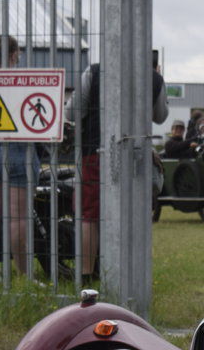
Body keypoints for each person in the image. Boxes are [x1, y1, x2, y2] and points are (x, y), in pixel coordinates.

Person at [66, 53, 169, 277]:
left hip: (95, 151)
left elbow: (72, 112)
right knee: (131, 213)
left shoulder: (93, 72)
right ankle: (127, 274)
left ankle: (85, 275)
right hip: (136, 155)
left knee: (89, 215)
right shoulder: (153, 78)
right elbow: (161, 116)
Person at [0, 35, 40, 280]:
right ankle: (24, 276)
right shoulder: (23, 81)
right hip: (17, 153)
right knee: (17, 217)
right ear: (16, 55)